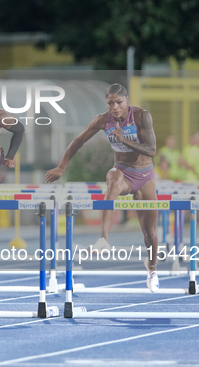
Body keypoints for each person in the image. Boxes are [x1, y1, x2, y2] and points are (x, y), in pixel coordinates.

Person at [46, 83, 159, 292]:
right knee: (113, 179)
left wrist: (124, 139)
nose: (115, 107)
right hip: (122, 172)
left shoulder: (142, 116)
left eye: (119, 102)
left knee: (149, 233)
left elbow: (152, 150)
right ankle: (104, 238)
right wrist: (61, 167)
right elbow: (78, 141)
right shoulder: (102, 120)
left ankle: (152, 268)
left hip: (144, 176)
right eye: (110, 103)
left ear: (127, 101)